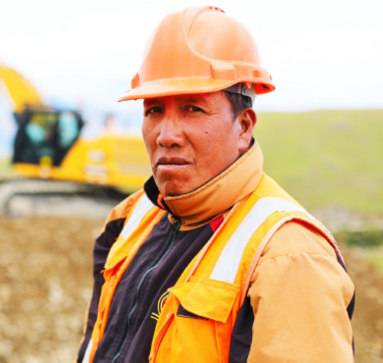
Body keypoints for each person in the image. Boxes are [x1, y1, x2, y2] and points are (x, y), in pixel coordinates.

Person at [76, 6, 355, 363]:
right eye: (153, 110)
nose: (166, 135)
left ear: (244, 126)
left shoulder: (290, 258)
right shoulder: (130, 218)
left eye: (193, 108)